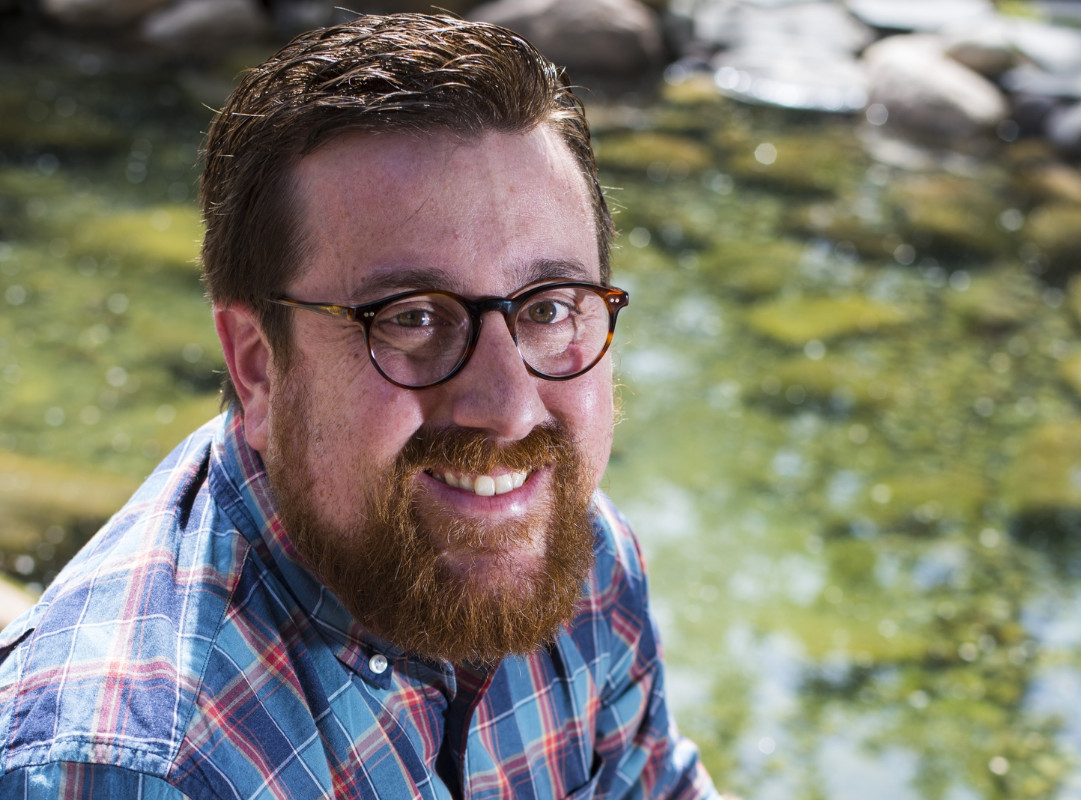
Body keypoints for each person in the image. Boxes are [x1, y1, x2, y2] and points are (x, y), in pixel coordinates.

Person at [0, 13, 719, 800]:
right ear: (257, 365)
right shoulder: (131, 769)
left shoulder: (580, 556)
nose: (510, 411)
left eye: (548, 308)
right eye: (411, 317)